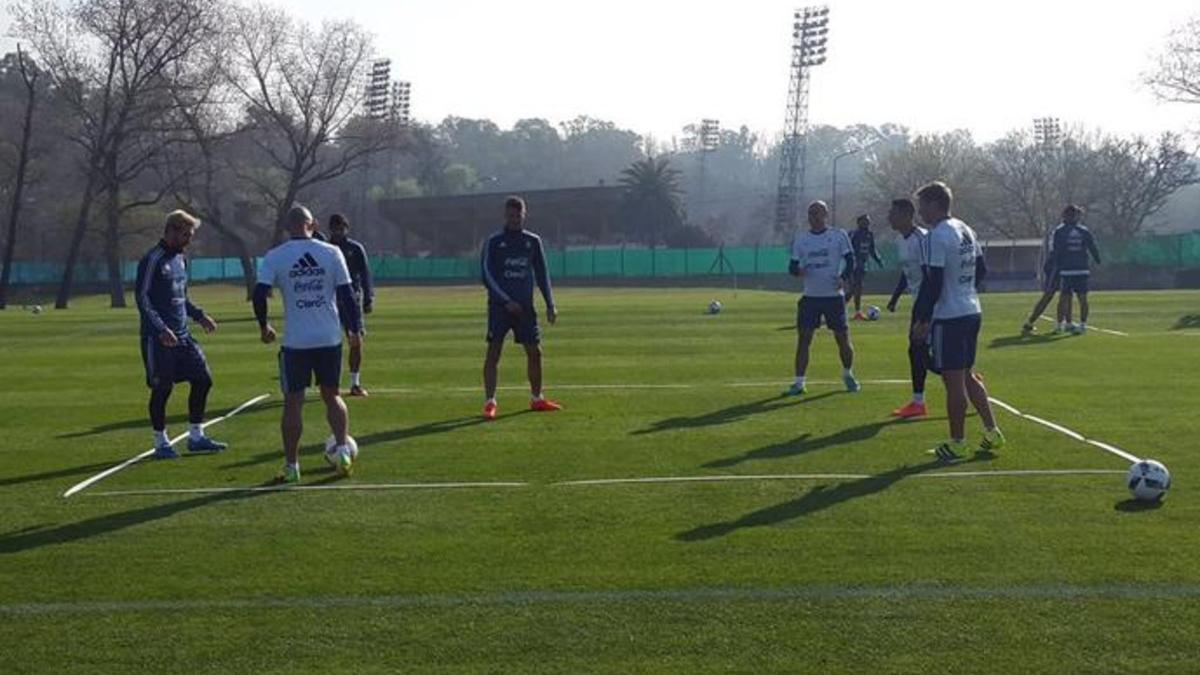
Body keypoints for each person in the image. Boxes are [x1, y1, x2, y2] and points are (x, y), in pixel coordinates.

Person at [253, 204, 363, 484]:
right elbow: (347, 294)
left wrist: (263, 325)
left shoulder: (275, 256)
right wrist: (354, 329)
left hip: (296, 342)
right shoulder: (331, 252)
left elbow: (259, 293)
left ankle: (292, 466)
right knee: (332, 395)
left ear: (287, 227)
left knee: (293, 403)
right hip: (329, 338)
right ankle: (342, 452)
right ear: (312, 223)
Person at [911, 182, 1004, 462]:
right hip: (971, 309)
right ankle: (992, 431)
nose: (920, 212)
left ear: (935, 204)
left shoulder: (936, 236)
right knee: (966, 374)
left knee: (954, 382)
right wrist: (965, 292)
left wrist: (924, 318)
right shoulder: (965, 228)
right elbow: (982, 268)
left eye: (922, 206)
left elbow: (934, 280)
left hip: (949, 316)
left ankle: (958, 442)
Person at [135, 210, 227, 459]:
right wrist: (160, 329)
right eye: (186, 234)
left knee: (203, 379)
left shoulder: (182, 260)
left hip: (183, 336)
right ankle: (160, 442)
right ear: (172, 230)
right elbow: (142, 299)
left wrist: (199, 315)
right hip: (158, 339)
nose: (189, 240)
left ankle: (196, 437)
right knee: (162, 389)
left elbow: (181, 297)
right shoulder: (152, 259)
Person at [480, 196, 561, 420]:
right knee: (494, 352)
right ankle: (490, 402)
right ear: (505, 216)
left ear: (524, 215)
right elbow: (486, 275)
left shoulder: (532, 241)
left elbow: (542, 274)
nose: (514, 219)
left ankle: (537, 398)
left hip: (525, 309)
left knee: (535, 352)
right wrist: (506, 301)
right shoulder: (494, 241)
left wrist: (550, 304)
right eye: (510, 216)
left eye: (518, 215)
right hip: (500, 308)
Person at [786, 200, 860, 397]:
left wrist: (843, 278)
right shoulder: (801, 239)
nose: (814, 217)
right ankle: (799, 382)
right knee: (804, 339)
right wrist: (798, 271)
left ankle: (848, 374)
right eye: (811, 214)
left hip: (833, 297)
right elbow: (792, 267)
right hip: (810, 297)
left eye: (818, 213)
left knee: (842, 338)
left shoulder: (838, 236)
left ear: (826, 215)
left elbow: (851, 260)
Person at [884, 198, 929, 418]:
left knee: (919, 349)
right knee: (918, 350)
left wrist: (925, 310)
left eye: (892, 213)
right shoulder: (900, 240)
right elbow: (907, 271)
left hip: (931, 302)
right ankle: (918, 402)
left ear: (906, 215)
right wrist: (895, 298)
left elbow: (932, 275)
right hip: (918, 301)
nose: (889, 217)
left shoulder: (922, 239)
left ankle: (966, 378)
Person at [328, 213, 374, 396]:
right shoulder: (325, 248)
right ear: (330, 229)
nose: (338, 232)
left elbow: (365, 274)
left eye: (341, 228)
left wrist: (369, 297)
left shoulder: (355, 248)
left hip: (351, 300)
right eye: (335, 228)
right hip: (329, 300)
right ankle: (331, 384)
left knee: (356, 341)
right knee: (330, 343)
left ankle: (355, 383)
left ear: (346, 228)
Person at [1048, 205, 1102, 334]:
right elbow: (1092, 247)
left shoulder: (1059, 231)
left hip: (1067, 270)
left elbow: (1056, 251)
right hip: (1081, 269)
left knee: (1064, 298)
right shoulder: (1083, 230)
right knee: (1082, 298)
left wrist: (1053, 266)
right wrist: (1098, 261)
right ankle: (1082, 325)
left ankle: (1059, 325)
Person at [1020, 223, 1063, 335]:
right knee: (1048, 295)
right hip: (1056, 265)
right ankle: (1029, 323)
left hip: (1064, 266)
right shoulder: (1060, 231)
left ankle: (1061, 324)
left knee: (1066, 295)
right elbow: (1056, 250)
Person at [848, 214, 884, 320]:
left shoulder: (869, 234)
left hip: (862, 264)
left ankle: (844, 310)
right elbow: (848, 249)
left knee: (856, 288)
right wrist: (852, 262)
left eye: (868, 221)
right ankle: (855, 311)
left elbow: (872, 249)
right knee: (855, 288)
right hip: (854, 264)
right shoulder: (855, 234)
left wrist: (878, 260)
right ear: (859, 222)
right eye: (865, 221)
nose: (868, 223)